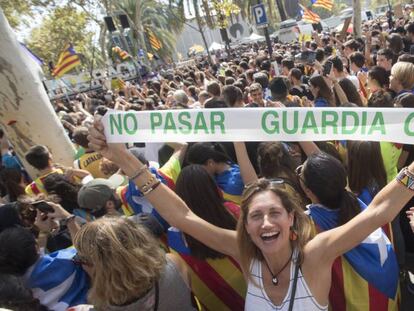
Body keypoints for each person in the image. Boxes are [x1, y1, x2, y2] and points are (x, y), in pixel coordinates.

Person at [89, 117, 414, 310]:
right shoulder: (245, 253)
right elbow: (182, 216)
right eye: (256, 215)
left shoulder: (316, 253)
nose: (266, 221)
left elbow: (379, 210)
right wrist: (123, 160)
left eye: (274, 212)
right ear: (247, 225)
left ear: (292, 219)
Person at [72, 217, 196, 311]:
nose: (80, 265)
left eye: (79, 259)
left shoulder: (102, 306)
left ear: (98, 266)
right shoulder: (173, 263)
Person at [169, 165, 246, 310]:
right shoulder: (234, 211)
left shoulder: (176, 238)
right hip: (254, 291)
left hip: (216, 303)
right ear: (212, 186)